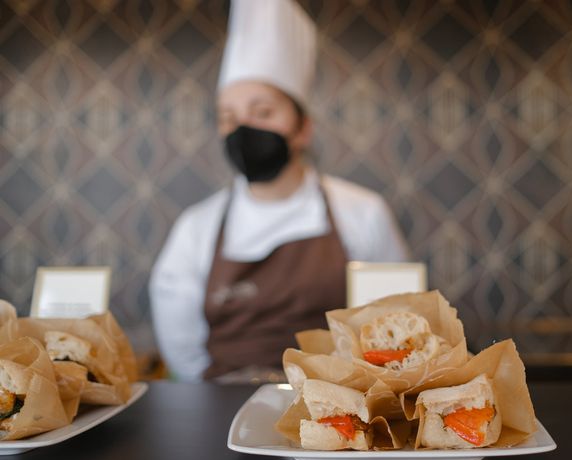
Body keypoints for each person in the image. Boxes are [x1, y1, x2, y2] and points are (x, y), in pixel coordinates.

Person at [149, 0, 409, 382]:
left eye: (263, 112)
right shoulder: (196, 227)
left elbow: (398, 323)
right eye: (229, 117)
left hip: (338, 410)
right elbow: (183, 349)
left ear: (303, 127)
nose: (244, 129)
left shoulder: (363, 212)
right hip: (223, 410)